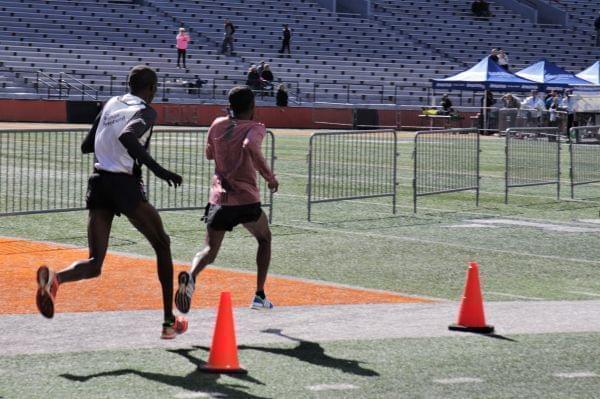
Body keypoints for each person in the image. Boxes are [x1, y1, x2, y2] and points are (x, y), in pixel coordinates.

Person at [35, 65, 187, 340]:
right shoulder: (146, 111)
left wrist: (110, 142)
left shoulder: (111, 103)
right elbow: (128, 136)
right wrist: (159, 170)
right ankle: (168, 322)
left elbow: (87, 145)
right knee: (163, 245)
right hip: (123, 184)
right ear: (151, 88)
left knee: (95, 263)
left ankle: (55, 279)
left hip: (98, 181)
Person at [175, 86, 279, 314]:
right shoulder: (255, 127)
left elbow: (209, 154)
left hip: (219, 199)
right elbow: (250, 145)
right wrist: (269, 177)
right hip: (245, 199)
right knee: (264, 238)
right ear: (253, 107)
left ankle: (191, 277)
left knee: (209, 251)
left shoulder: (217, 124)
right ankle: (259, 295)